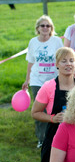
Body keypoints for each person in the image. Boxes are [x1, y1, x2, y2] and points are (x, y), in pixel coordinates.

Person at [23, 15, 64, 148]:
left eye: (48, 26)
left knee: (53, 109)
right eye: (42, 26)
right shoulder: (33, 42)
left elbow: (61, 59)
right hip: (37, 81)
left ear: (51, 28)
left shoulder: (57, 41)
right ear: (38, 28)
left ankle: (55, 137)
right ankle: (41, 138)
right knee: (39, 110)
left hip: (53, 80)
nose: (45, 28)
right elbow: (30, 62)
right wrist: (27, 79)